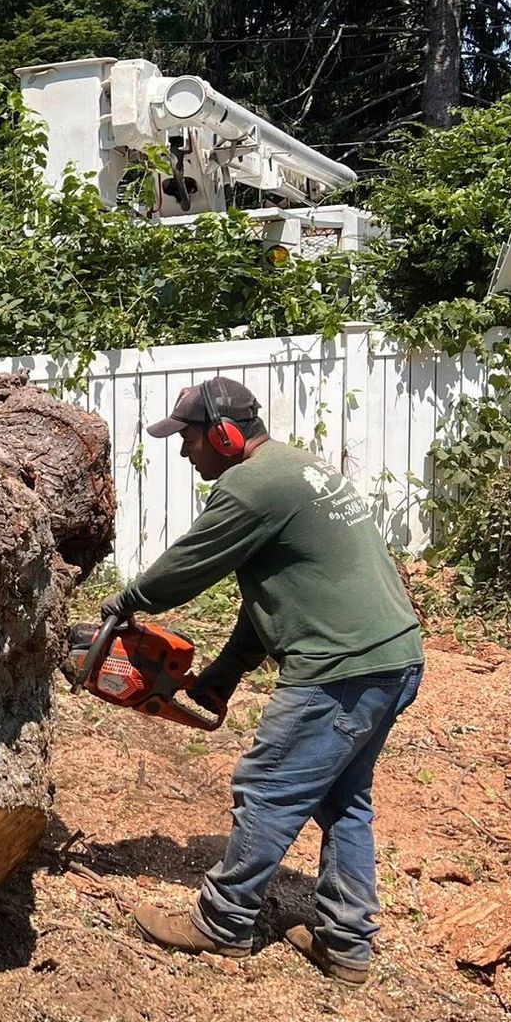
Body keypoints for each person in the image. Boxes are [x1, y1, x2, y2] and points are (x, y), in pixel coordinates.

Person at [99, 376, 424, 985]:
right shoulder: (295, 469)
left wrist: (128, 601)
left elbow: (191, 563)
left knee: (268, 786)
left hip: (340, 670)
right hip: (392, 657)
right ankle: (346, 943)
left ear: (223, 435)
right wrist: (224, 674)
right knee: (343, 799)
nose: (182, 449)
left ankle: (223, 922)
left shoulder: (251, 486)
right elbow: (273, 595)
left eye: (189, 437)